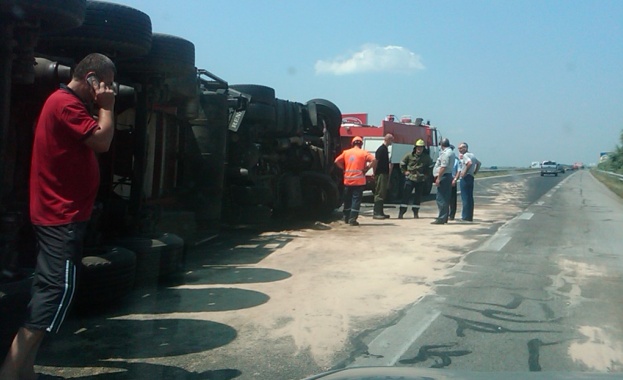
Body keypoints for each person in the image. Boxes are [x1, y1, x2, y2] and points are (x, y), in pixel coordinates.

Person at [0, 53, 116, 380]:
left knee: (47, 292)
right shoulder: (65, 103)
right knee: (55, 293)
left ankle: (26, 371)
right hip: (59, 216)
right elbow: (102, 141)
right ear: (91, 78)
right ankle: (10, 372)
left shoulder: (68, 104)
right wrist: (106, 107)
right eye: (106, 83)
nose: (109, 90)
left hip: (61, 214)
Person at [334, 136, 376, 226]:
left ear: (352, 143)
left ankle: (346, 217)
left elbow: (336, 161)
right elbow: (374, 160)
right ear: (361, 144)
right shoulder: (364, 153)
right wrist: (367, 168)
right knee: (356, 200)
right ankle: (352, 219)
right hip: (359, 182)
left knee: (347, 199)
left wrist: (344, 168)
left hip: (348, 181)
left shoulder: (346, 152)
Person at [398, 138, 432, 219]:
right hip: (410, 178)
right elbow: (402, 163)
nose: (419, 149)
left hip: (420, 179)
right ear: (415, 147)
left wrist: (426, 175)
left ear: (423, 148)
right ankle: (401, 213)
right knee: (406, 196)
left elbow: (430, 167)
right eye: (418, 147)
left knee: (418, 197)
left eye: (421, 147)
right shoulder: (409, 155)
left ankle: (415, 213)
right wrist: (404, 172)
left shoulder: (426, 158)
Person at [431, 138, 456, 224]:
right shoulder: (451, 152)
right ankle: (443, 217)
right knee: (444, 197)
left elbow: (443, 166)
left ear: (442, 145)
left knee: (441, 198)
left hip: (444, 176)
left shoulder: (446, 153)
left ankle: (441, 217)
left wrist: (438, 178)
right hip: (447, 176)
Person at [457, 142, 481, 222]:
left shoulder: (465, 155)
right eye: (459, 148)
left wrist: (464, 172)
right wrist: (475, 172)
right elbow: (479, 163)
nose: (459, 150)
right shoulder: (472, 155)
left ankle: (465, 216)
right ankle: (469, 216)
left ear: (465, 148)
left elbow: (469, 163)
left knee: (465, 197)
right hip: (471, 176)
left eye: (461, 148)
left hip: (466, 177)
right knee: (470, 197)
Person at [373, 134, 394, 219]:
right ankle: (377, 212)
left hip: (384, 173)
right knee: (379, 193)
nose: (392, 142)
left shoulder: (385, 149)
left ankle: (381, 212)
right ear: (388, 139)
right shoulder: (381, 149)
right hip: (380, 173)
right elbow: (375, 162)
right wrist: (375, 173)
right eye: (391, 140)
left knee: (383, 192)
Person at [449, 145, 459, 220]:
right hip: (445, 179)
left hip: (452, 179)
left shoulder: (456, 160)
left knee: (452, 199)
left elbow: (458, 171)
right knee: (443, 199)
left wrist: (455, 179)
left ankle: (452, 214)